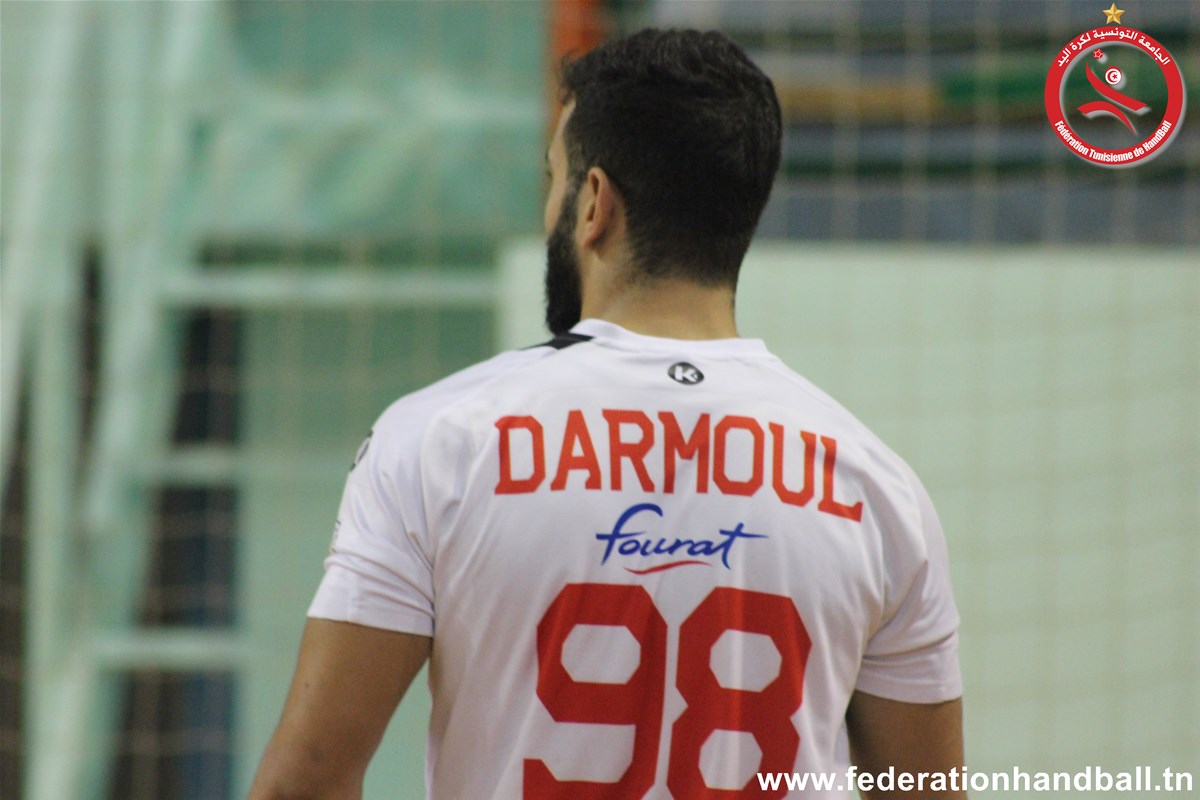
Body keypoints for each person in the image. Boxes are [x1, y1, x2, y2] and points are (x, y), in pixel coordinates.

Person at [249, 28, 964, 800]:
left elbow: (305, 782)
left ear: (594, 203)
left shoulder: (438, 441)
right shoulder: (877, 487)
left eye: (553, 177)